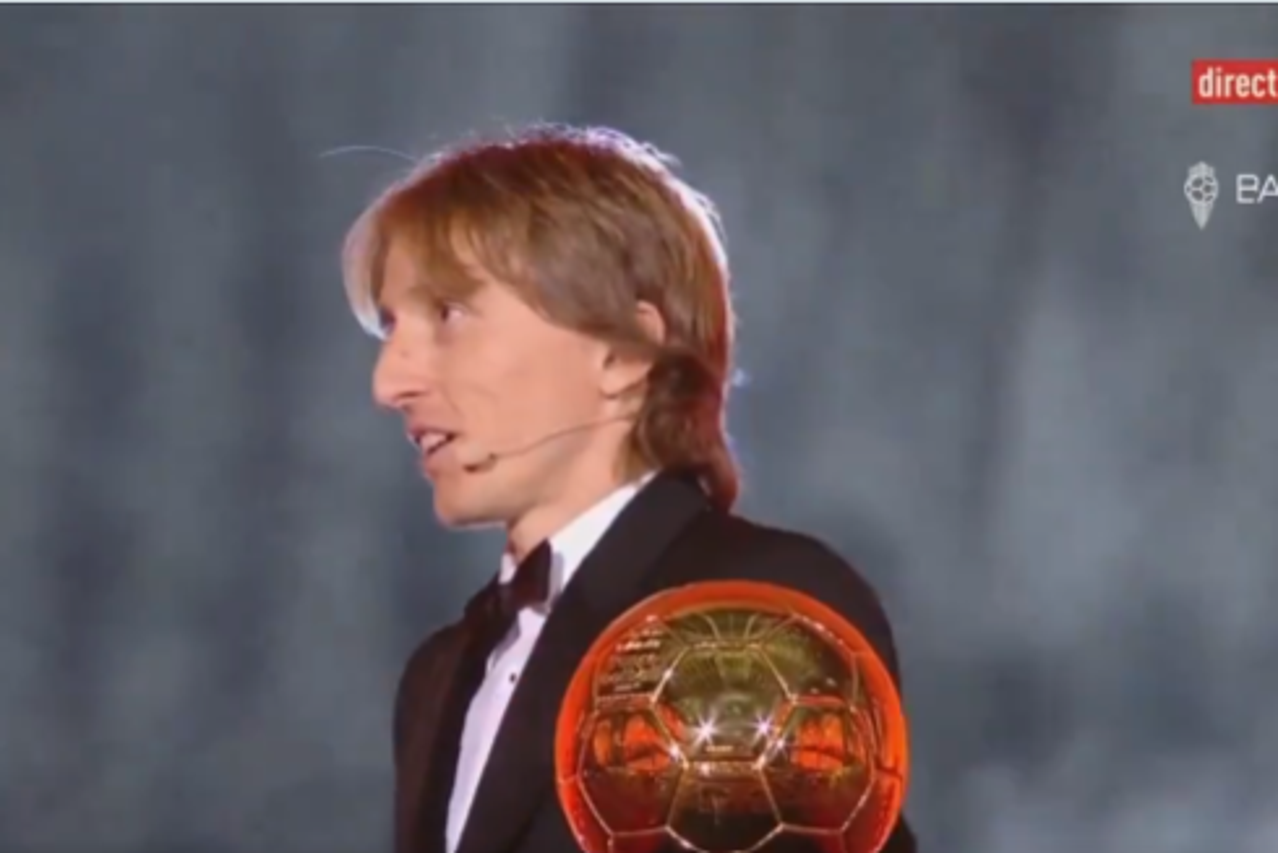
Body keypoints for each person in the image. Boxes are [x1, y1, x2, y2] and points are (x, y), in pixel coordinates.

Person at [342, 124, 919, 853]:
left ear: (621, 352)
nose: (390, 382)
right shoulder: (442, 671)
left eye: (448, 315)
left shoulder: (756, 615)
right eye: (392, 328)